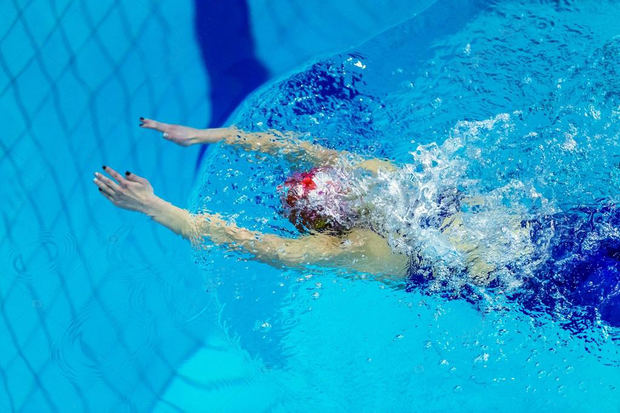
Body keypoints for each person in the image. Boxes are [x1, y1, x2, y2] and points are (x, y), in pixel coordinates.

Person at [93, 117, 499, 283]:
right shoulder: (382, 181)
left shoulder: (354, 246)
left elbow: (270, 248)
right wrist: (212, 136)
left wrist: (156, 205)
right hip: (530, 233)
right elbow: (309, 154)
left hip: (508, 279)